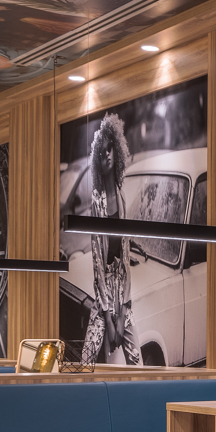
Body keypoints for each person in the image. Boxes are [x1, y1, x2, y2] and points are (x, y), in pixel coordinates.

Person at [84, 114, 141, 365]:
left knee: (137, 363)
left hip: (123, 296)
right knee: (86, 361)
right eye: (102, 151)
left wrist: (123, 312)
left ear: (116, 151)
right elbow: (98, 265)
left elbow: (126, 260)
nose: (106, 154)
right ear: (97, 159)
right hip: (104, 296)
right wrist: (108, 318)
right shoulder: (97, 203)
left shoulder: (122, 196)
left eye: (110, 148)